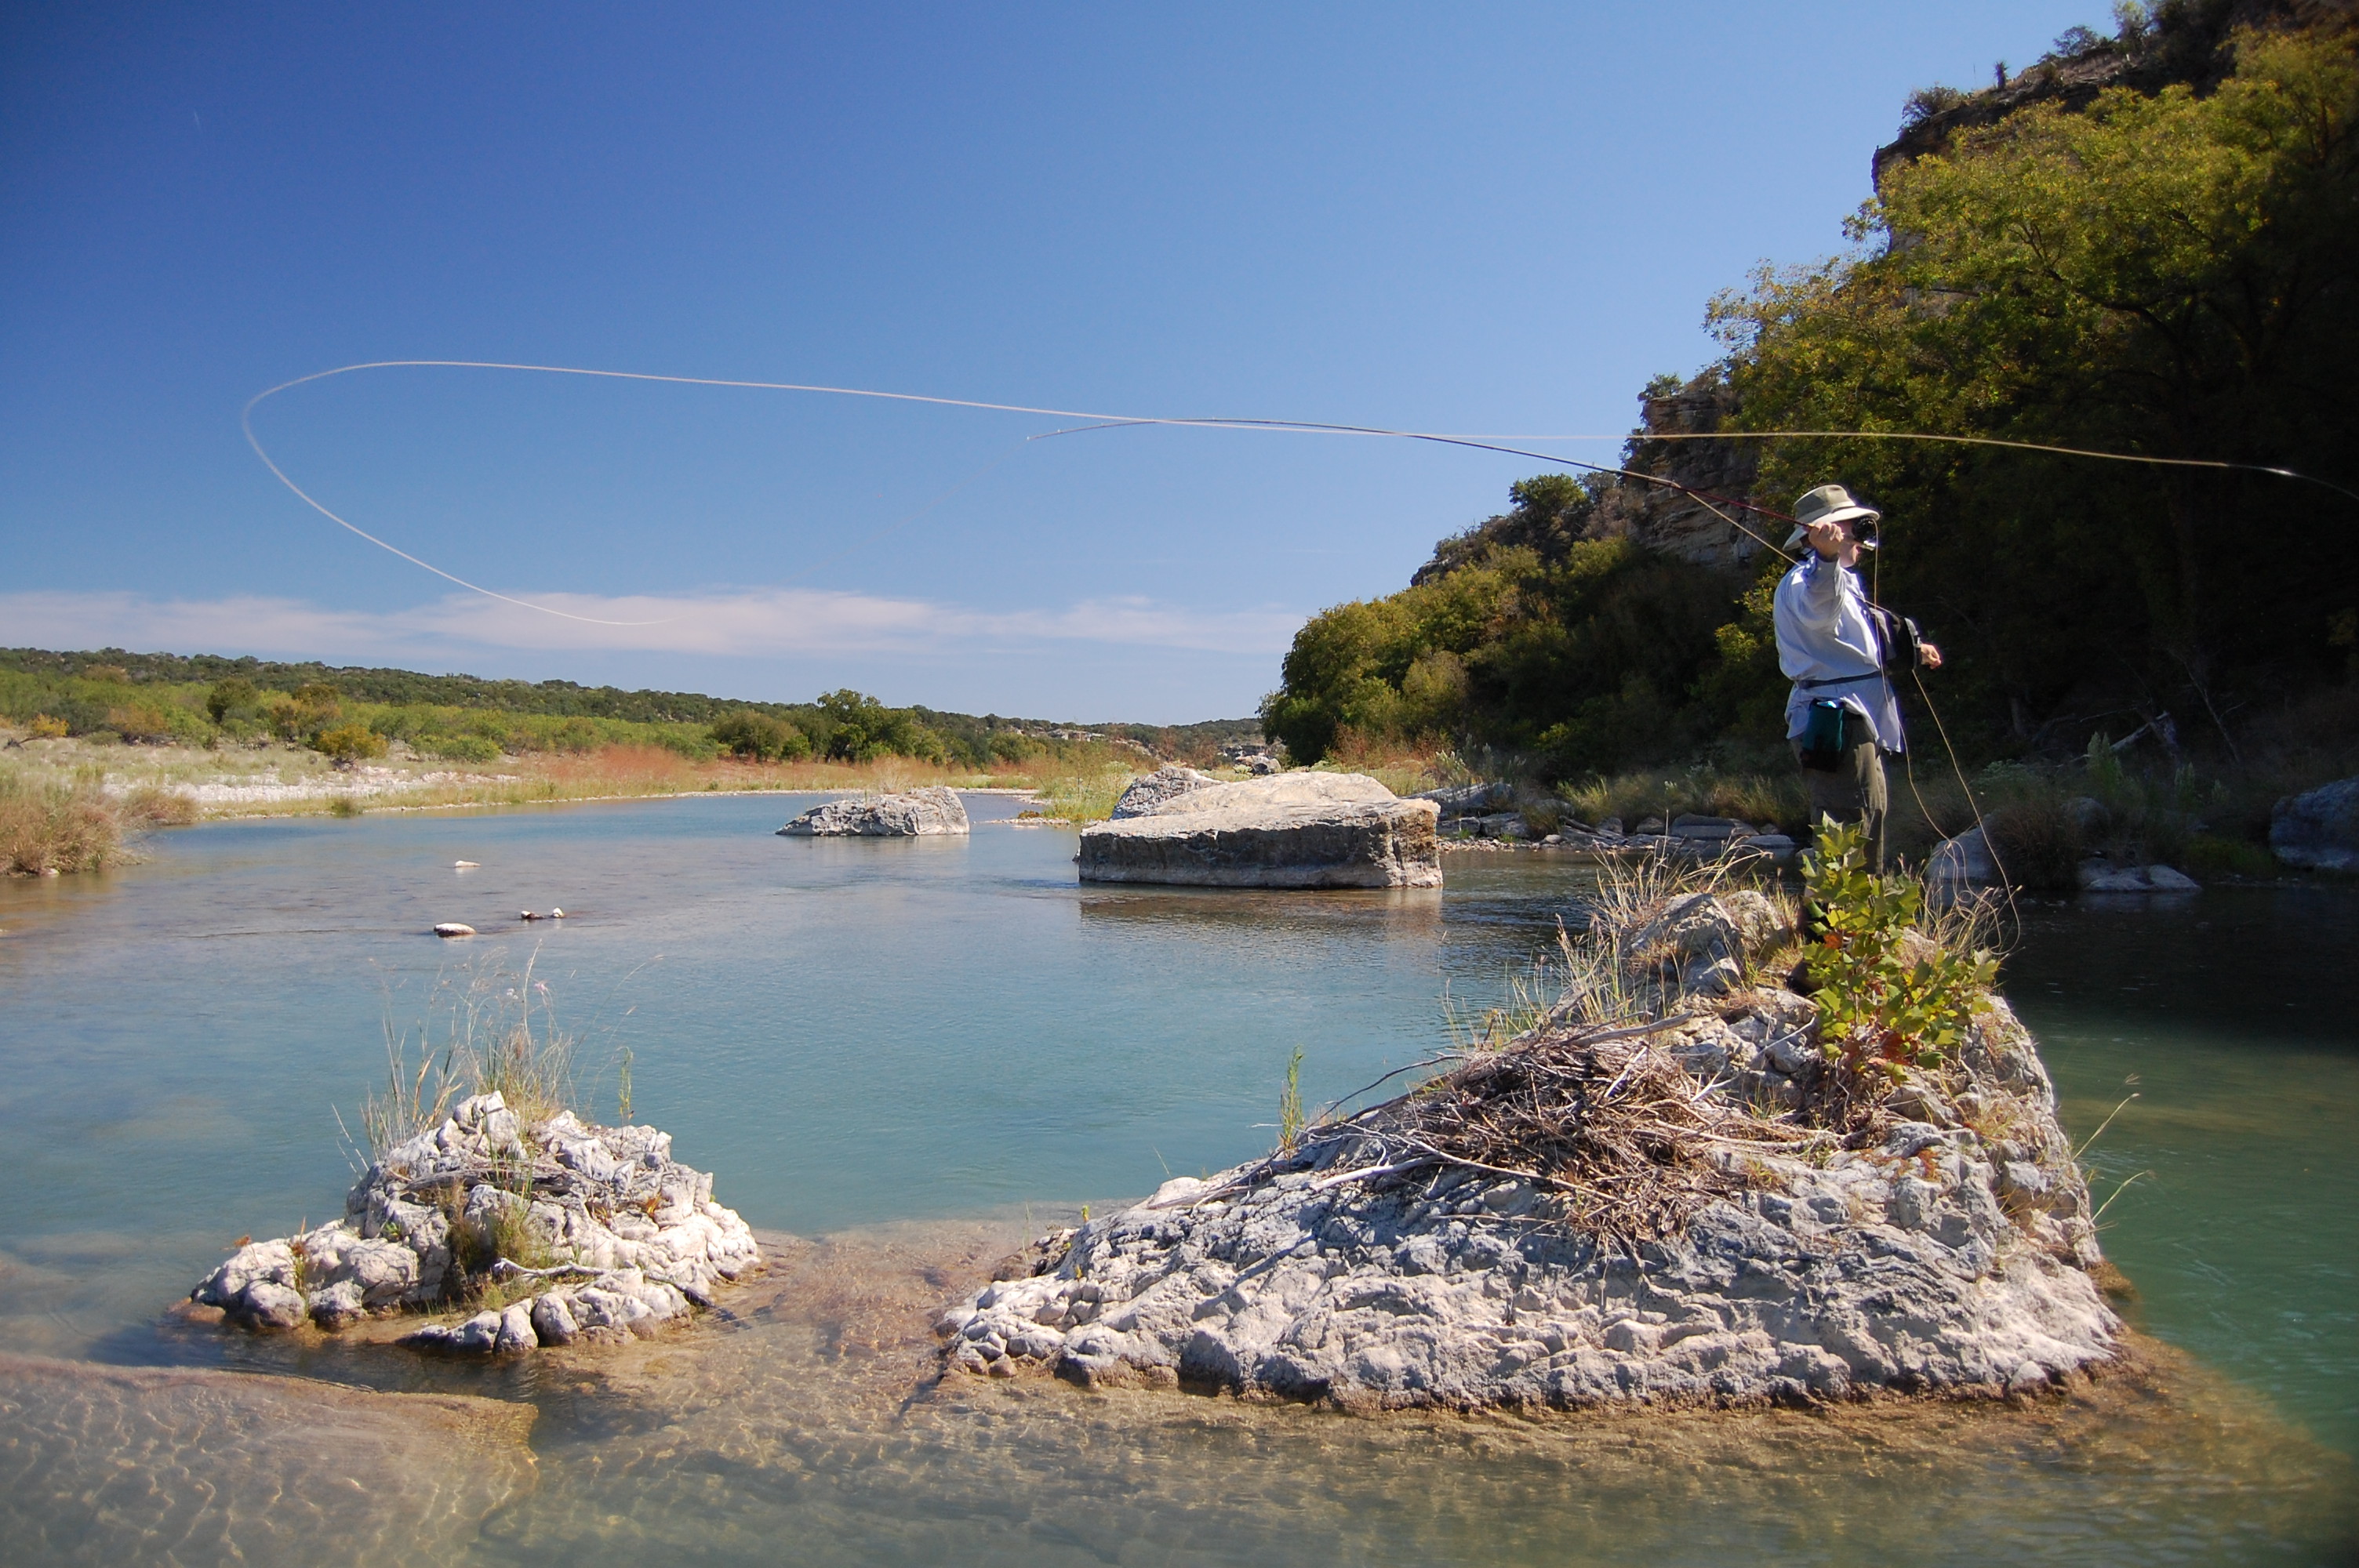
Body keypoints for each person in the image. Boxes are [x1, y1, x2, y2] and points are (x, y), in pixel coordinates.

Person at [1772, 483, 1942, 873]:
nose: (1863, 540)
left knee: (1869, 816)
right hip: (1836, 721)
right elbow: (1820, 611)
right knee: (1848, 830)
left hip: (1857, 719)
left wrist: (1916, 651)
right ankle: (1835, 929)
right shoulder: (1807, 582)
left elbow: (1853, 643)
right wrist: (1827, 559)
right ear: (1826, 532)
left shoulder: (1842, 582)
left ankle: (1858, 926)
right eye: (1855, 529)